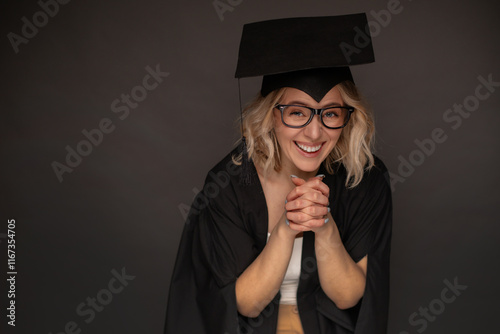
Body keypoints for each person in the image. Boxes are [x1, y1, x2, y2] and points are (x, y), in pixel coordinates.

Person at [164, 14, 392, 334]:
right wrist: (286, 228)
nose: (315, 133)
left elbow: (348, 297)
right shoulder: (230, 184)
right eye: (297, 113)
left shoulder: (364, 180)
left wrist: (324, 227)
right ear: (271, 115)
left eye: (331, 114)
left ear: (348, 117)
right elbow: (245, 303)